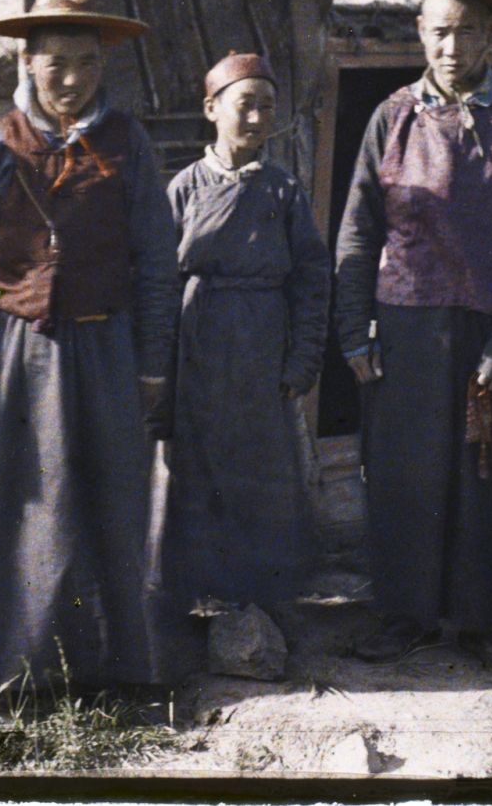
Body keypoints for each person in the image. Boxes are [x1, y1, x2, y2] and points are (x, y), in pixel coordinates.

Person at [0, 0, 181, 693]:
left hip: (106, 348)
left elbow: (156, 259)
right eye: (55, 63)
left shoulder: (127, 144)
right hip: (19, 350)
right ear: (27, 62)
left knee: (109, 498)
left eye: (86, 62)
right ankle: (18, 665)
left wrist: (152, 362)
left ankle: (111, 665)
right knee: (27, 504)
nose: (71, 80)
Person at [333, 0, 492, 677]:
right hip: (405, 327)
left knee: (487, 478)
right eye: (438, 32)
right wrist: (353, 328)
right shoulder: (390, 119)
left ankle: (484, 622)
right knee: (407, 473)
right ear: (419, 30)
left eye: (467, 32)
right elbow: (357, 230)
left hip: (488, 331)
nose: (451, 49)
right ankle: (405, 613)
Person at [159, 52, 332, 644]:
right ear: (212, 110)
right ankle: (189, 599)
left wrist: (302, 357)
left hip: (261, 344)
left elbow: (312, 279)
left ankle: (261, 600)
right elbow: (158, 281)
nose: (257, 119)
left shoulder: (283, 191)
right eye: (245, 105)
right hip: (197, 345)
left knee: (262, 472)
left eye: (267, 107)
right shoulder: (183, 188)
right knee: (194, 468)